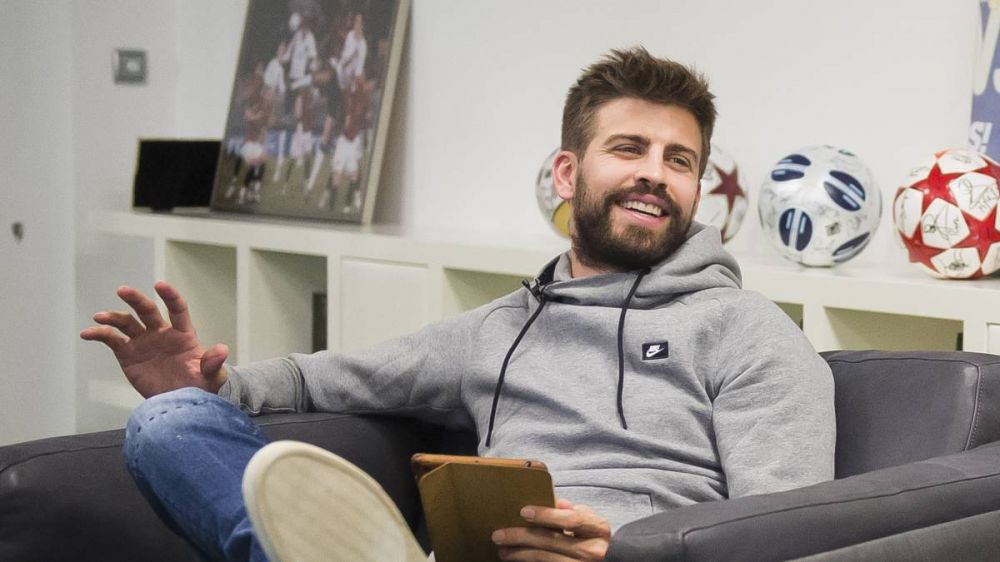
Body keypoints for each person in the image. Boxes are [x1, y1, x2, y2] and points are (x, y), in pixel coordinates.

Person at [81, 47, 834, 562]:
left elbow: (791, 530)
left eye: (680, 161)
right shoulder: (500, 328)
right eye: (628, 149)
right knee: (165, 425)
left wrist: (625, 551)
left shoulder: (749, 332)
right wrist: (212, 385)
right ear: (568, 173)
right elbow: (324, 380)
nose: (655, 175)